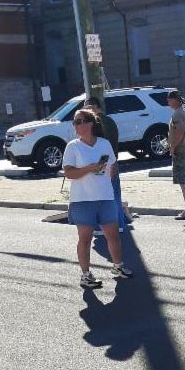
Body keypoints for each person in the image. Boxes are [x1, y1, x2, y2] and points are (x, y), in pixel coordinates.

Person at [63, 108, 133, 288]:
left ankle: (118, 266)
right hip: (82, 200)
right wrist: (90, 168)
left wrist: (103, 183)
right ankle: (86, 275)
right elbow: (69, 173)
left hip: (105, 198)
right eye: (75, 122)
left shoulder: (104, 143)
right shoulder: (73, 146)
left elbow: (112, 168)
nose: (77, 125)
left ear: (91, 124)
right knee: (85, 239)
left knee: (113, 236)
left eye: (81, 121)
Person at [84, 97, 129, 232]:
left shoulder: (96, 122)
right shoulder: (110, 121)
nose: (85, 110)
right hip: (113, 160)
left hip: (102, 161)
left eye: (87, 107)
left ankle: (101, 226)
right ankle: (119, 224)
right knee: (115, 195)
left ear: (94, 107)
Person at [167, 90, 185, 219]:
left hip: (181, 150)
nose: (168, 102)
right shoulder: (184, 111)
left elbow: (180, 131)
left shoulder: (177, 114)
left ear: (175, 100)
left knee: (183, 182)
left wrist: (173, 147)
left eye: (169, 100)